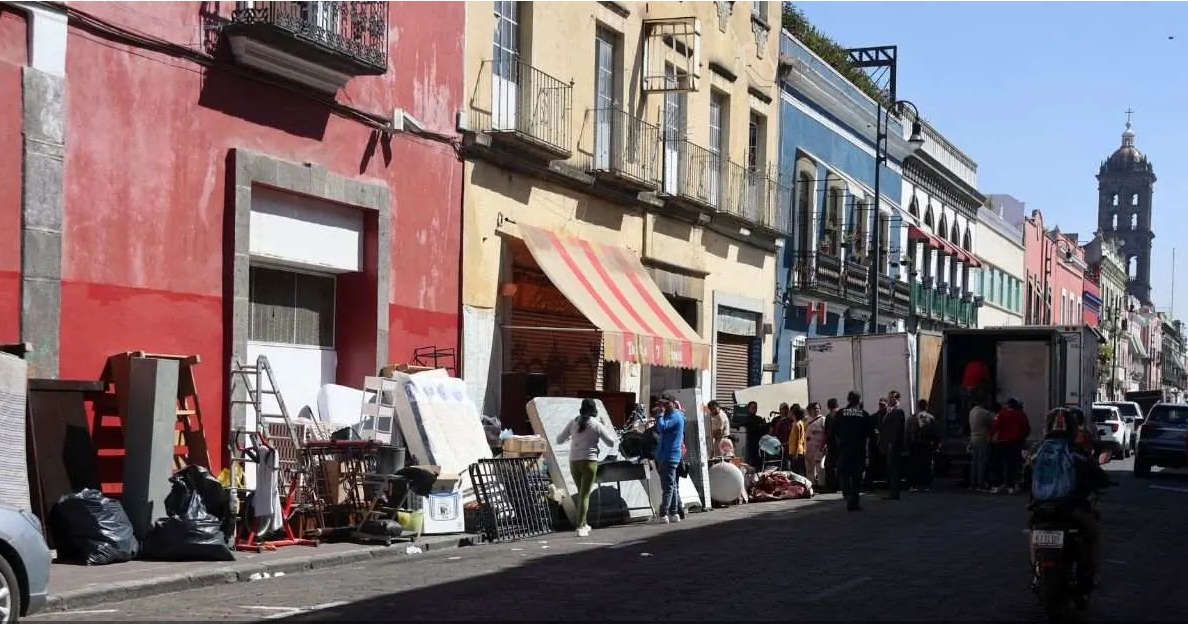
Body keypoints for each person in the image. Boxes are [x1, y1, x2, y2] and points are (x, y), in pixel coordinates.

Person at [1024, 407, 1113, 585]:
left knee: (1034, 532)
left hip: (1041, 509)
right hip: (1071, 508)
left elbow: (1025, 477)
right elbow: (1097, 475)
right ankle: (1089, 575)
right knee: (1092, 533)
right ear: (1072, 428)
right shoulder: (1076, 451)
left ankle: (1036, 570)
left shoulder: (1036, 451)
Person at [555, 398, 618, 537]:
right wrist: (604, 426)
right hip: (589, 462)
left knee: (582, 494)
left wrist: (572, 437)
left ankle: (584, 523)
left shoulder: (573, 422)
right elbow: (610, 442)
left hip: (574, 462)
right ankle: (580, 526)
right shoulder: (596, 424)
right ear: (593, 411)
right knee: (585, 495)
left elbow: (559, 440)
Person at [834, 391, 873, 511]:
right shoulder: (864, 414)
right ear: (859, 400)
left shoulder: (841, 413)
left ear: (848, 399)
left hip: (845, 448)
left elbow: (834, 431)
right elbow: (870, 433)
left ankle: (847, 493)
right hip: (859, 450)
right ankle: (854, 502)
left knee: (843, 472)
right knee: (857, 476)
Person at [653, 392, 686, 524]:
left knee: (668, 487)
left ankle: (663, 514)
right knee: (672, 485)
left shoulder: (675, 417)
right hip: (668, 455)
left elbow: (661, 427)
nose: (663, 406)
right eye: (662, 403)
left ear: (672, 403)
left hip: (670, 455)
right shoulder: (673, 416)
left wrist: (660, 414)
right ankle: (674, 513)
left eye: (666, 404)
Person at [991, 398, 1030, 494]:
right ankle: (1011, 486)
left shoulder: (1002, 414)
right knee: (1012, 465)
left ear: (1008, 405)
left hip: (1003, 442)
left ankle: (998, 485)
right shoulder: (1020, 415)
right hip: (1015, 442)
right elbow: (1026, 428)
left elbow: (996, 426)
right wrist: (1022, 437)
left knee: (1000, 464)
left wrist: (991, 436)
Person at [906, 399, 940, 492]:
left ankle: (914, 485)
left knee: (914, 465)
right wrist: (936, 445)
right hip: (926, 445)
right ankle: (926, 485)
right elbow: (935, 433)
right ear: (926, 406)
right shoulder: (931, 418)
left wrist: (907, 445)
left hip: (914, 445)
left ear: (918, 406)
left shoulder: (911, 418)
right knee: (926, 465)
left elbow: (907, 433)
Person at [880, 391, 907, 499]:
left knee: (894, 468)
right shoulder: (891, 411)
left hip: (894, 445)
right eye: (889, 397)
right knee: (891, 468)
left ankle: (894, 492)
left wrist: (892, 443)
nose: (889, 400)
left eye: (891, 398)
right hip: (889, 444)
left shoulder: (898, 411)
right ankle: (892, 491)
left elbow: (896, 430)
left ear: (896, 399)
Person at [968, 395, 995, 491]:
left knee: (974, 462)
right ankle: (981, 483)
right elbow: (992, 424)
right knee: (982, 461)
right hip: (982, 438)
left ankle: (973, 483)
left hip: (973, 437)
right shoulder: (984, 412)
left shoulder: (972, 412)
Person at [866, 398, 889, 488]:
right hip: (874, 445)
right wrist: (873, 431)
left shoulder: (889, 417)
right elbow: (868, 430)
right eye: (880, 405)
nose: (881, 406)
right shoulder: (874, 417)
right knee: (872, 464)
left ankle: (887, 481)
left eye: (883, 405)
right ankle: (870, 482)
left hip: (885, 444)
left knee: (886, 464)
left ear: (887, 405)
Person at [804, 402, 828, 487]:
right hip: (809, 448)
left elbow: (826, 433)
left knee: (820, 467)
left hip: (819, 447)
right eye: (814, 408)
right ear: (810, 410)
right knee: (809, 468)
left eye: (818, 408)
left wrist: (825, 445)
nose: (816, 410)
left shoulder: (823, 419)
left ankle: (822, 484)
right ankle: (812, 485)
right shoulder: (806, 420)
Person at [742, 401, 768, 468]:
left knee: (758, 464)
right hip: (750, 445)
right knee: (750, 465)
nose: (754, 409)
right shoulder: (746, 419)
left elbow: (765, 428)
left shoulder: (759, 419)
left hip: (759, 445)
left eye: (755, 408)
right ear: (748, 408)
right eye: (752, 408)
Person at [823, 398, 841, 493]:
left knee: (831, 465)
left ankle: (833, 485)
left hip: (832, 444)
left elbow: (826, 432)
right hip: (842, 444)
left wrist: (826, 444)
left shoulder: (829, 417)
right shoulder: (842, 415)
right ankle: (841, 485)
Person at [771, 403, 795, 470]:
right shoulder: (775, 419)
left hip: (787, 446)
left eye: (786, 408)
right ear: (780, 409)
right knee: (777, 464)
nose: (785, 410)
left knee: (787, 464)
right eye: (783, 408)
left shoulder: (791, 420)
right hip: (777, 445)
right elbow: (771, 431)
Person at [787, 404, 807, 476]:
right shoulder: (795, 423)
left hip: (797, 451)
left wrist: (795, 453)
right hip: (793, 450)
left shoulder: (798, 424)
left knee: (797, 471)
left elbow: (798, 439)